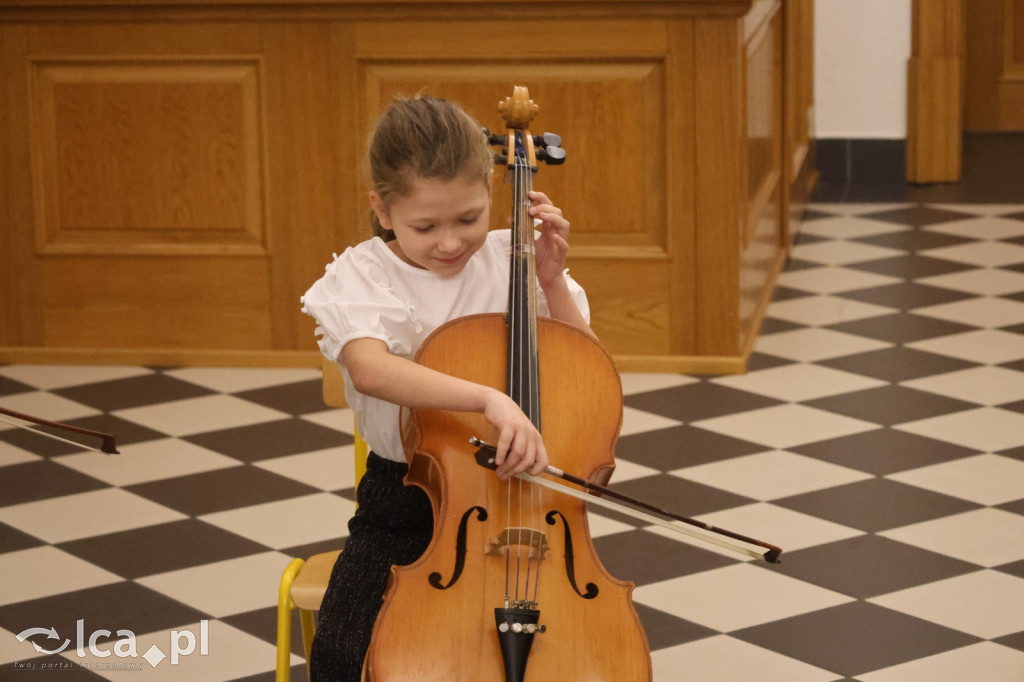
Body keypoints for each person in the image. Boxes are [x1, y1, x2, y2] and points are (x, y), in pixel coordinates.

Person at [299, 94, 594, 682]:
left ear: (491, 191)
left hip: (526, 504)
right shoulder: (362, 275)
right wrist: (488, 398)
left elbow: (586, 370)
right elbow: (370, 369)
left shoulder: (513, 259)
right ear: (382, 210)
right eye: (424, 226)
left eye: (468, 219)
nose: (451, 243)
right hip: (403, 503)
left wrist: (552, 282)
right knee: (342, 654)